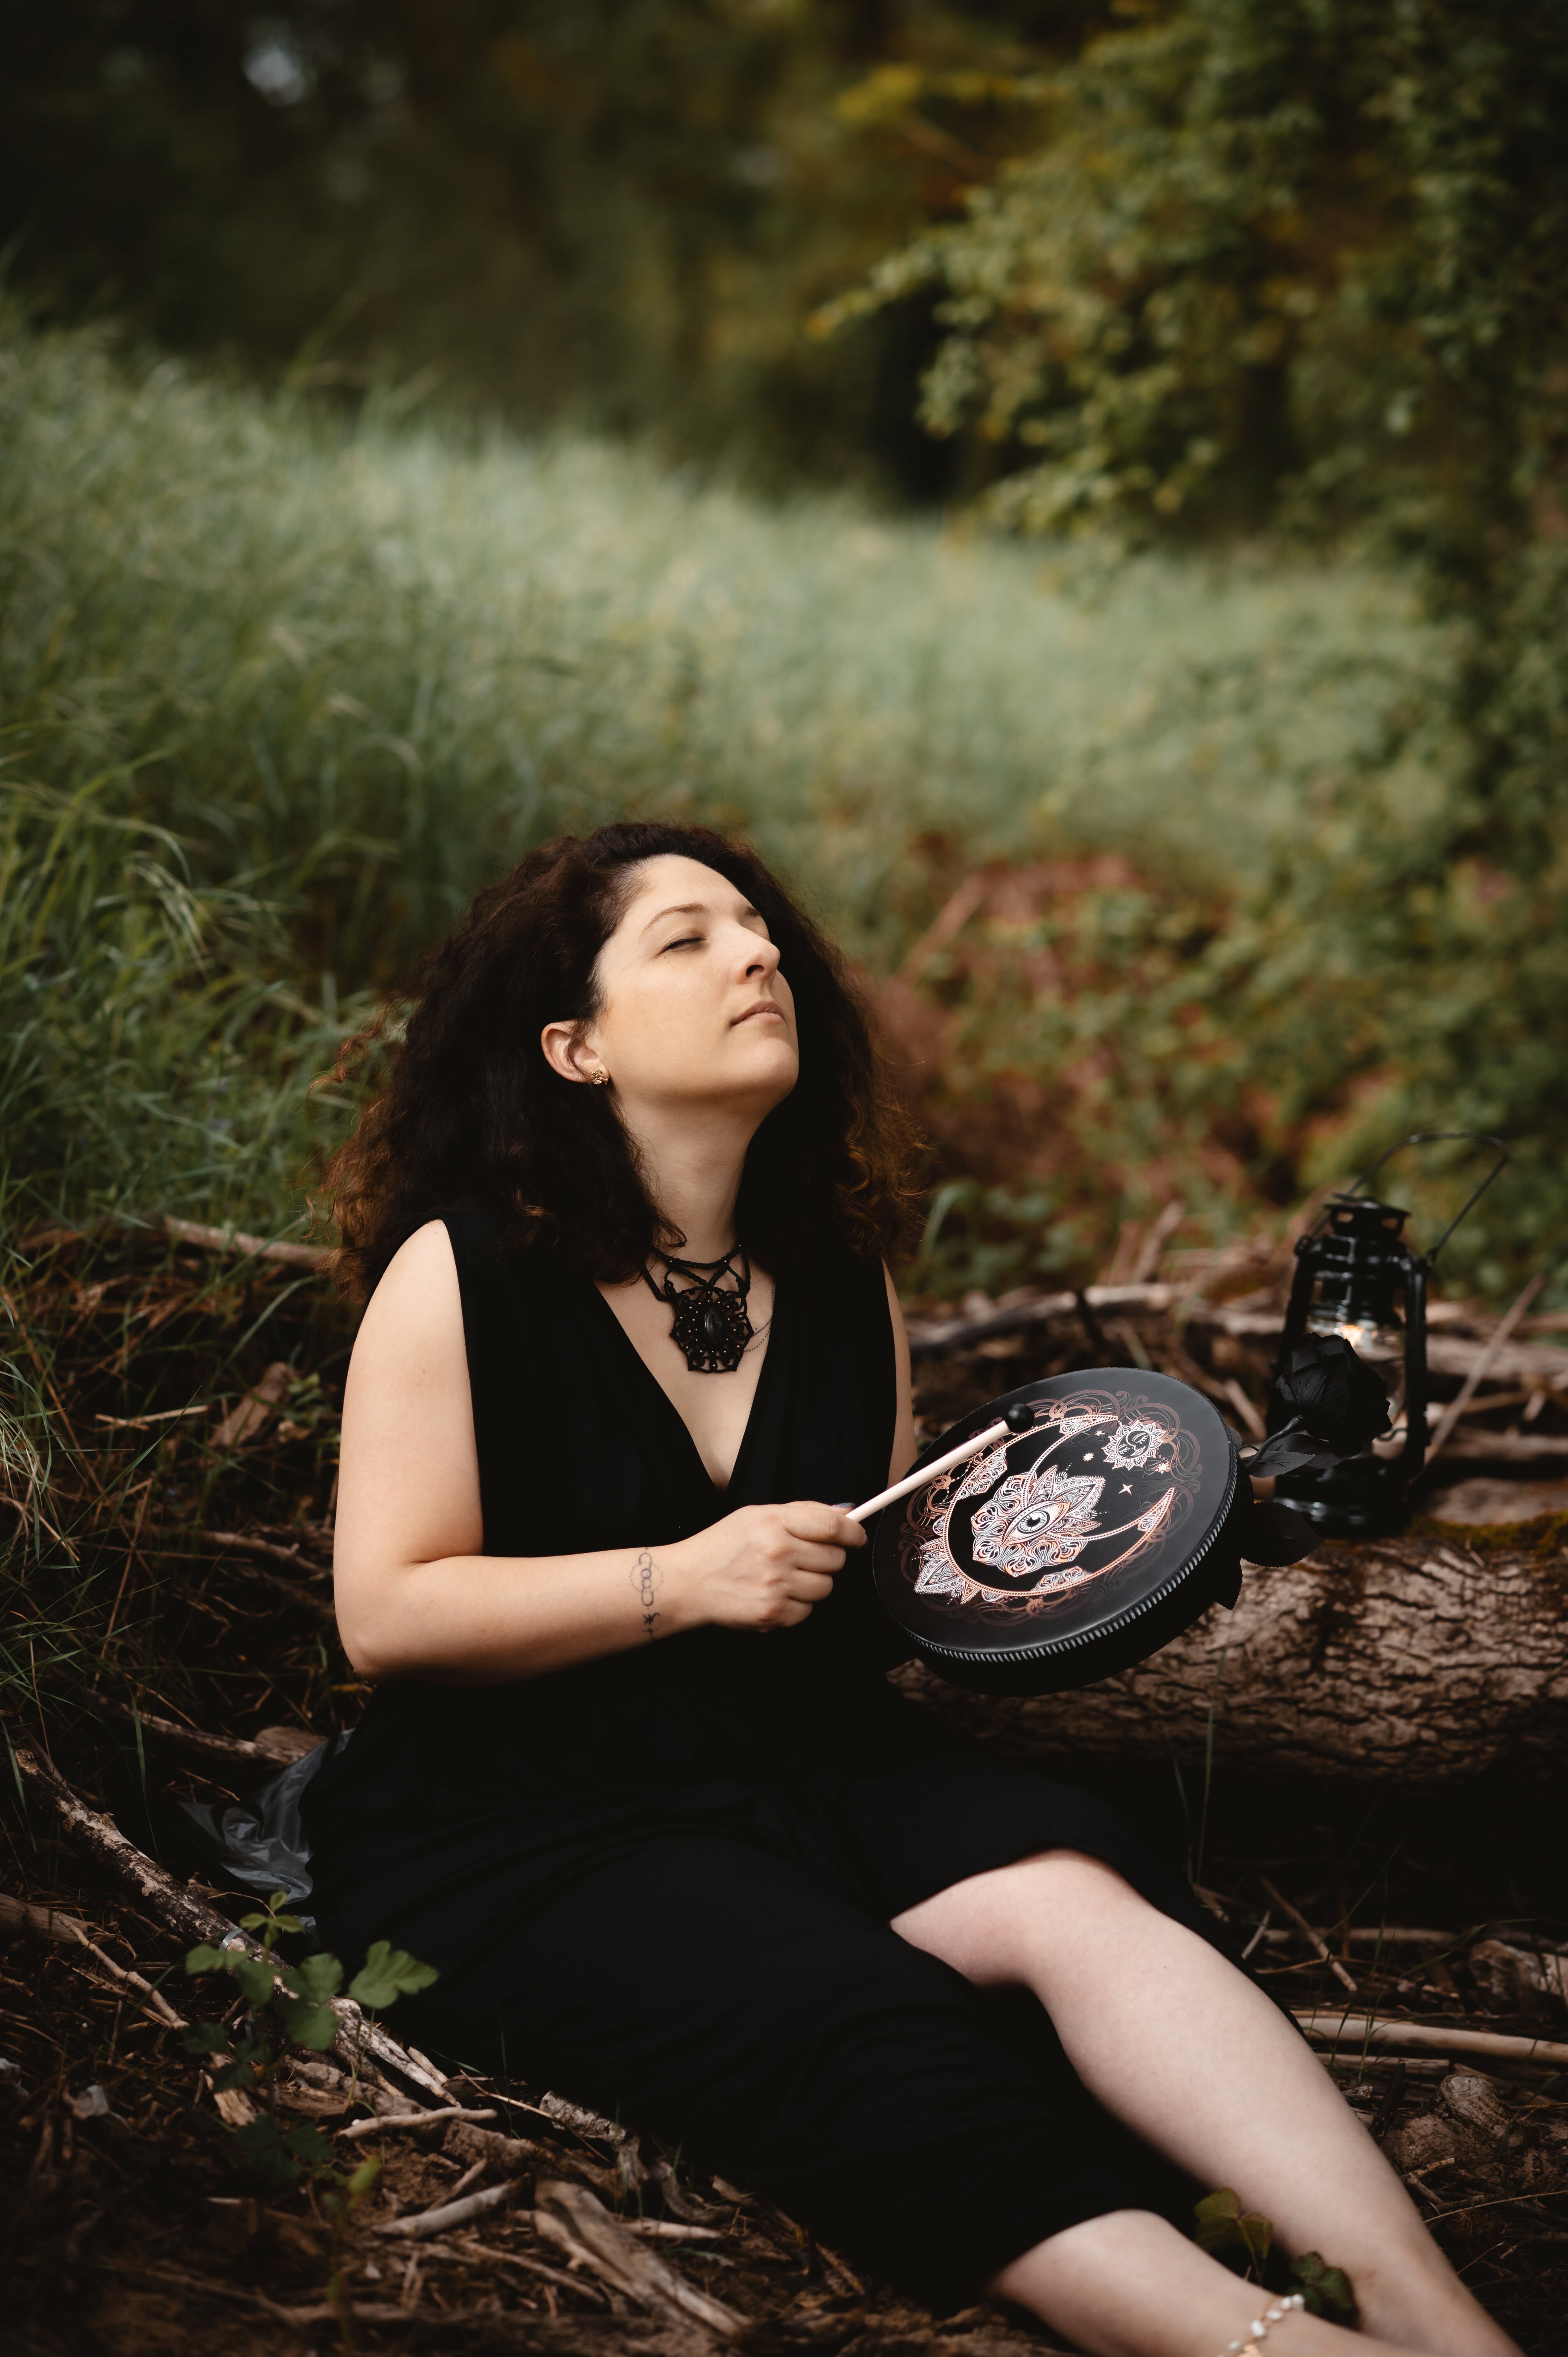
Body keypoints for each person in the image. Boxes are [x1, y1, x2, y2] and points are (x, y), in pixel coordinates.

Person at [305, 821, 1517, 2357]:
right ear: (575, 1044)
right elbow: (387, 1614)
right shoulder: (464, 1272)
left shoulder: (834, 1273)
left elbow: (875, 1601)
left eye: (759, 929)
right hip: (526, 1819)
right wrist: (680, 1580)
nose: (758, 952)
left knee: (1079, 1889)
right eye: (687, 937)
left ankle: (1445, 2321)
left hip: (796, 1762)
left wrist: (1108, 1556)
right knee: (867, 2027)